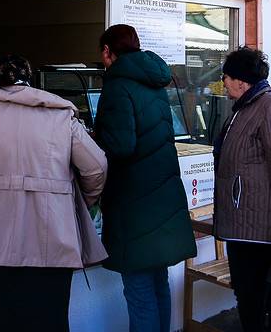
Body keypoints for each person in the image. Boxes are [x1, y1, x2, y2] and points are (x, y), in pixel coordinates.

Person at [0, 54, 108, 332]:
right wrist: (82, 200)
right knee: (51, 321)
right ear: (30, 80)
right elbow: (96, 167)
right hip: (51, 238)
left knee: (1, 320)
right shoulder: (60, 113)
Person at [94, 24, 196, 332]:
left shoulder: (116, 85)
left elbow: (121, 146)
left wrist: (92, 139)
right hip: (162, 197)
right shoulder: (155, 83)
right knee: (157, 282)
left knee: (138, 290)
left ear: (108, 51)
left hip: (134, 202)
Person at [214, 47, 271, 331]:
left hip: (263, 232)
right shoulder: (244, 107)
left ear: (241, 80)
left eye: (225, 76)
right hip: (243, 228)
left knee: (261, 302)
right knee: (248, 299)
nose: (223, 82)